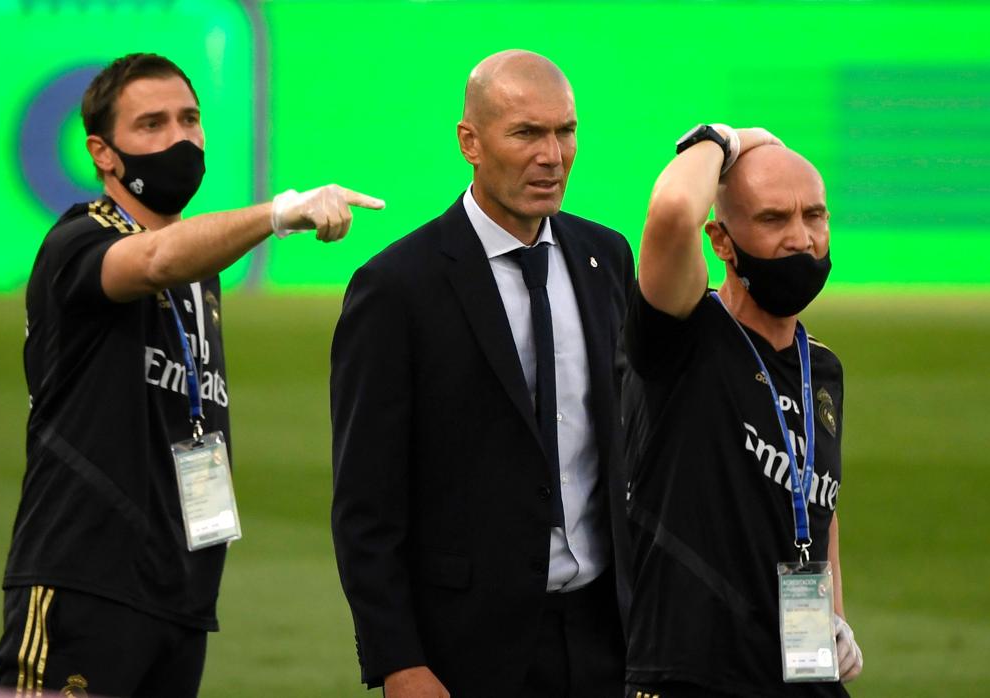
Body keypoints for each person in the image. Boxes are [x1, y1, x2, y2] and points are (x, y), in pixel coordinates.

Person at [0, 52, 383, 697]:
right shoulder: (78, 243)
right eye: (151, 124)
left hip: (179, 594)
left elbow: (177, 257)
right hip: (83, 583)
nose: (178, 138)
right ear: (103, 153)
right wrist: (280, 213)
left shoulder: (201, 275)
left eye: (190, 119)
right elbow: (150, 261)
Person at [330, 50, 633, 698]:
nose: (552, 155)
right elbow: (365, 504)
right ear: (470, 141)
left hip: (607, 639)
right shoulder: (396, 288)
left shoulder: (605, 258)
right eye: (527, 133)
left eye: (566, 131)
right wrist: (398, 661)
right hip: (466, 651)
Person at [621, 125, 864, 697]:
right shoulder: (682, 334)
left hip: (797, 674)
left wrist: (833, 616)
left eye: (815, 216)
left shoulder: (821, 369)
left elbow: (815, 502)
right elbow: (674, 209)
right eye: (773, 219)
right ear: (722, 241)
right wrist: (726, 139)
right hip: (692, 674)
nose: (801, 238)